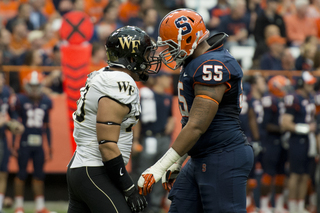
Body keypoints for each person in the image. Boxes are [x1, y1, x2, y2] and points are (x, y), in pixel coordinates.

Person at [138, 9, 254, 212]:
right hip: (203, 155)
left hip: (223, 154)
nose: (167, 52)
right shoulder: (196, 62)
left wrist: (161, 165)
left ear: (189, 39)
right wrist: (179, 160)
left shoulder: (212, 64)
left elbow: (197, 125)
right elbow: (194, 124)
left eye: (171, 45)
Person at [66, 26, 161, 213]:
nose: (149, 60)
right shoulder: (119, 82)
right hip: (95, 169)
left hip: (84, 167)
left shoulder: (104, 75)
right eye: (146, 54)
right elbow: (107, 144)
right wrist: (128, 187)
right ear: (132, 58)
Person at [11, 71, 53, 213]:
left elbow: (47, 126)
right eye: (32, 86)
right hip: (24, 141)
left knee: (39, 175)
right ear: (26, 86)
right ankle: (19, 206)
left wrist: (50, 146)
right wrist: (13, 144)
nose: (34, 89)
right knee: (21, 174)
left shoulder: (46, 101)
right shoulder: (20, 100)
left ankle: (40, 206)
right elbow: (15, 122)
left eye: (37, 86)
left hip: (39, 142)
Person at [133, 71, 175, 213]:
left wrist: (171, 122)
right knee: (143, 172)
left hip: (162, 138)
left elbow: (170, 116)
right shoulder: (146, 96)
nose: (169, 80)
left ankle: (155, 207)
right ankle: (141, 205)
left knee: (161, 173)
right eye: (166, 77)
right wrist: (136, 140)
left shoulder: (168, 97)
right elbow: (138, 120)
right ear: (158, 79)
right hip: (148, 138)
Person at [281, 71, 317, 213]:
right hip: (297, 140)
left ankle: (300, 206)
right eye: (309, 83)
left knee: (305, 175)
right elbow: (285, 123)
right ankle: (292, 207)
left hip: (309, 140)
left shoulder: (310, 98)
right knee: (295, 174)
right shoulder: (294, 98)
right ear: (302, 83)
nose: (312, 85)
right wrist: (306, 128)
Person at [259, 75, 290, 213]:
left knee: (280, 174)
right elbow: (266, 124)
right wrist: (283, 128)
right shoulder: (269, 100)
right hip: (270, 141)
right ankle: (264, 204)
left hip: (281, 141)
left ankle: (278, 205)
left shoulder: (281, 100)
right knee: (268, 173)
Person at [0, 72, 24, 213]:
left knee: (3, 172)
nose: (2, 80)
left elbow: (12, 112)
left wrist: (15, 123)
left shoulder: (6, 92)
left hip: (2, 137)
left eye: (3, 77)